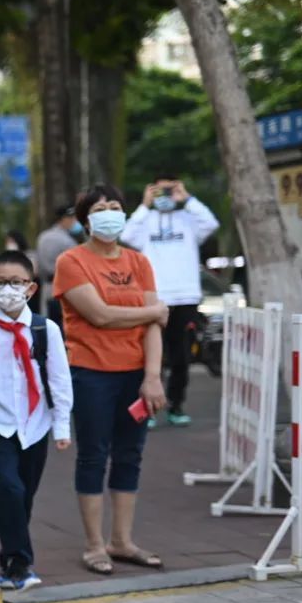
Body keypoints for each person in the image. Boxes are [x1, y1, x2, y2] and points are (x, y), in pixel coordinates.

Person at [53, 184, 169, 576]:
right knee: (93, 455)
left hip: (136, 376)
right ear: (85, 219)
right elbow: (99, 315)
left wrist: (152, 377)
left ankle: (122, 541)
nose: (109, 213)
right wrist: (152, 311)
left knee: (130, 456)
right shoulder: (72, 261)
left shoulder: (139, 262)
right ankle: (93, 545)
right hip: (90, 374)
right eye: (100, 208)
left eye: (115, 206)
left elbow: (156, 326)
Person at [0, 250, 73, 590]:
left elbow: (59, 378)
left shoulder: (45, 329)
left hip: (37, 423)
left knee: (23, 495)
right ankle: (21, 564)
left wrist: (62, 425)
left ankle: (10, 556)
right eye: (1, 283)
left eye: (16, 282)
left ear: (31, 289)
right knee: (7, 486)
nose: (8, 289)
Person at [122, 174, 219, 427]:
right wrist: (144, 205)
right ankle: (147, 407)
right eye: (159, 191)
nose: (164, 197)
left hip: (185, 296)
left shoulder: (188, 219)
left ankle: (176, 405)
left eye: (169, 190)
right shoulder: (146, 221)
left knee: (181, 357)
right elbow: (127, 235)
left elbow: (210, 223)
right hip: (155, 298)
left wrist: (186, 198)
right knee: (150, 358)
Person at [36, 204, 83, 329]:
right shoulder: (66, 240)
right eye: (73, 218)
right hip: (63, 290)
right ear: (64, 219)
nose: (75, 222)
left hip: (46, 288)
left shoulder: (43, 236)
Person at [4, 230, 41, 314]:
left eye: (11, 241)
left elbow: (33, 271)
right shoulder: (7, 258)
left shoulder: (30, 254)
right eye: (7, 242)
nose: (9, 244)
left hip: (30, 292)